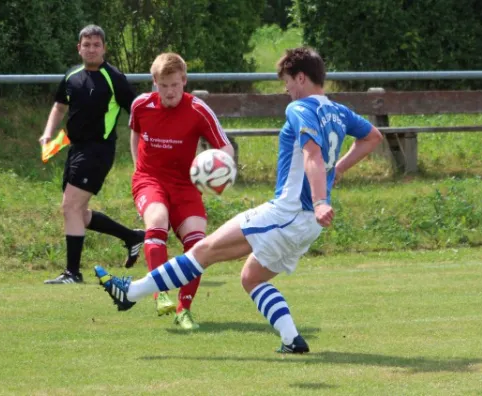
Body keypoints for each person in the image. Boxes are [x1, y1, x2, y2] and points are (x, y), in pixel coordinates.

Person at [93, 47, 383, 352]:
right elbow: (372, 136)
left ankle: (132, 292)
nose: (285, 88)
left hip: (286, 212)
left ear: (301, 77)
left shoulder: (299, 109)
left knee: (203, 249)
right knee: (251, 277)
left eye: (287, 81)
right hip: (308, 225)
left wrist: (321, 197)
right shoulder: (337, 111)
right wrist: (334, 171)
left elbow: (311, 154)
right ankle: (291, 339)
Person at [128, 52, 234, 329]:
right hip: (150, 179)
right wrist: (138, 168)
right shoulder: (141, 105)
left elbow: (225, 147)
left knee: (198, 243)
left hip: (186, 185)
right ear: (155, 82)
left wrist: (218, 168)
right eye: (163, 85)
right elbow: (136, 133)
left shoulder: (198, 109)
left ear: (184, 81)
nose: (170, 91)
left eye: (175, 84)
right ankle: (160, 293)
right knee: (158, 221)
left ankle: (183, 310)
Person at [39, 25, 145, 284]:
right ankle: (131, 236)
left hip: (98, 151)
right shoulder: (72, 75)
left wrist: (147, 144)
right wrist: (48, 133)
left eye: (96, 45)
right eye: (86, 45)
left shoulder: (114, 77)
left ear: (104, 48)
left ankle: (72, 273)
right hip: (74, 149)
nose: (91, 49)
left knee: (70, 207)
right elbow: (59, 106)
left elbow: (137, 112)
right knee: (79, 213)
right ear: (79, 48)